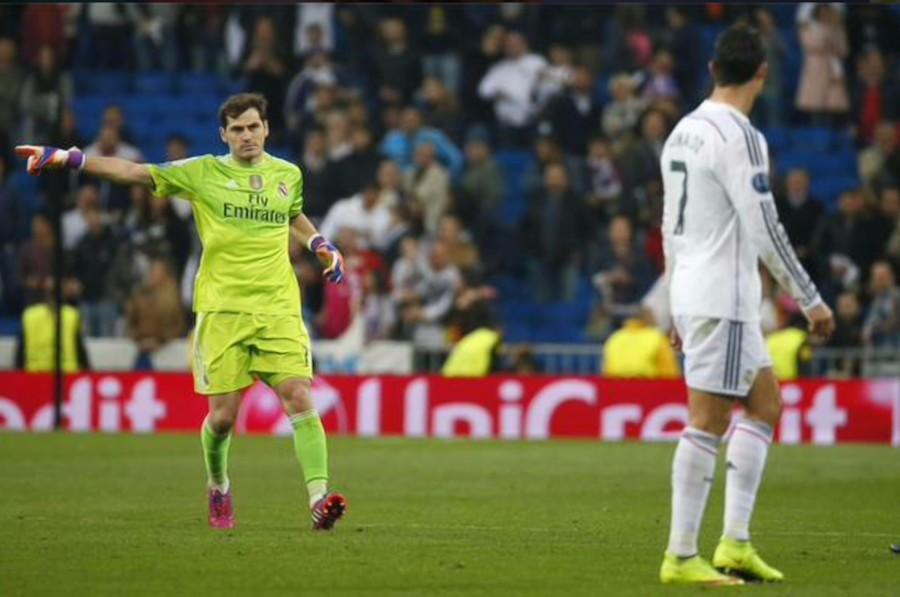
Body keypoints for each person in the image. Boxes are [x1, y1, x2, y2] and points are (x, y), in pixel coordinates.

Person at [16, 93, 349, 532]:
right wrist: (69, 158)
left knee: (299, 395)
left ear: (267, 128)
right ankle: (219, 484)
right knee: (223, 419)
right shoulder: (203, 172)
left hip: (278, 309)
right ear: (223, 135)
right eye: (237, 129)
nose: (247, 135)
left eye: (253, 126)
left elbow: (293, 214)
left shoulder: (288, 174)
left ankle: (318, 499)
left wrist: (320, 243)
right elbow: (135, 172)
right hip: (222, 311)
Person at [659, 25, 835, 585]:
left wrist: (674, 299)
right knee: (708, 421)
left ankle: (734, 543)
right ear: (763, 73)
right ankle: (681, 555)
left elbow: (668, 226)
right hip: (724, 296)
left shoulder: (682, 132)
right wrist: (810, 299)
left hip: (694, 289)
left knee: (765, 404)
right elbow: (765, 226)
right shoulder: (741, 136)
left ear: (713, 69)